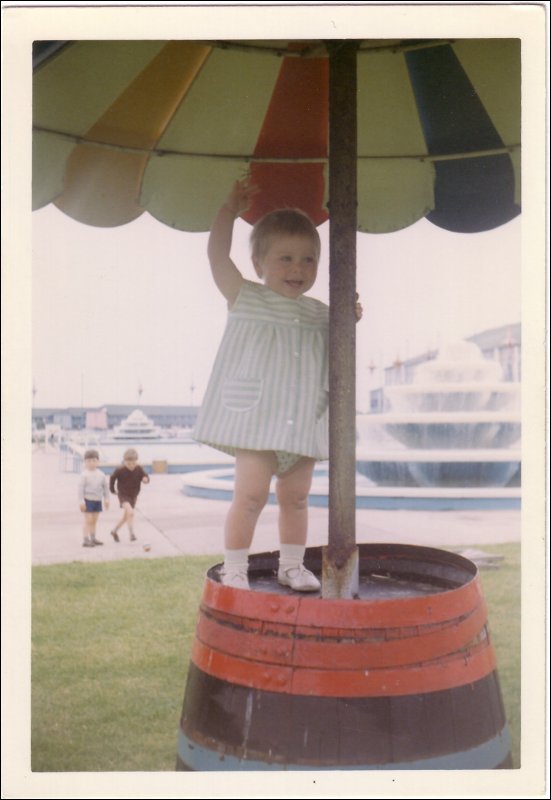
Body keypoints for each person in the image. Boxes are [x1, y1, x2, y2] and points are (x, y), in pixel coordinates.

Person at [193, 178, 362, 591]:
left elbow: (340, 341)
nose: (297, 269)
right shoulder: (245, 297)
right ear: (259, 264)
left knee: (297, 497)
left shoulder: (320, 313)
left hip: (303, 418)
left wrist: (350, 316)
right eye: (285, 258)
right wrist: (228, 210)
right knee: (250, 497)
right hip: (256, 418)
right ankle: (235, 568)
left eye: (308, 260)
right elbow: (216, 255)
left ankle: (292, 565)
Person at [109, 448, 150, 542]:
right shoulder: (120, 470)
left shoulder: (138, 469)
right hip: (123, 495)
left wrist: (145, 479)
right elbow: (112, 478)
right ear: (124, 461)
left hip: (133, 496)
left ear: (136, 461)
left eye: (133, 463)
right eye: (128, 463)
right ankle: (131, 533)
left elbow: (145, 476)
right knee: (131, 512)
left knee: (126, 517)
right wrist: (112, 490)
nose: (131, 466)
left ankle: (114, 531)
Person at [78, 449, 109, 547]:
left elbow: (105, 488)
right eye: (88, 461)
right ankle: (85, 539)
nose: (91, 463)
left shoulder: (101, 474)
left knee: (94, 520)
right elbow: (80, 489)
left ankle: (93, 537)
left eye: (94, 461)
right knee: (88, 520)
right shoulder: (84, 475)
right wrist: (81, 501)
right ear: (85, 463)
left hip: (97, 500)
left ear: (98, 461)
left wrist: (107, 499)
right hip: (87, 500)